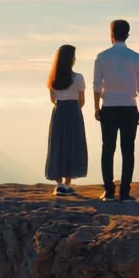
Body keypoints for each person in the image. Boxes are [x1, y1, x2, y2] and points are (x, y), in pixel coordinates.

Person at [93, 19, 139, 201]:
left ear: (111, 35)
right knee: (128, 150)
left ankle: (108, 191)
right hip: (129, 108)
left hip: (108, 107)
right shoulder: (138, 58)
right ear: (128, 35)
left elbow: (96, 86)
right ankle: (125, 192)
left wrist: (96, 107)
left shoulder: (102, 57)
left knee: (108, 149)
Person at [44, 44, 88, 196]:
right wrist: (74, 108)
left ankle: (60, 183)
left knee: (58, 144)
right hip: (74, 112)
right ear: (71, 60)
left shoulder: (52, 80)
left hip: (59, 112)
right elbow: (82, 101)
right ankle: (68, 184)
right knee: (73, 145)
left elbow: (53, 99)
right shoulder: (79, 78)